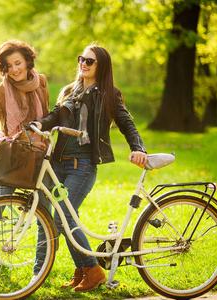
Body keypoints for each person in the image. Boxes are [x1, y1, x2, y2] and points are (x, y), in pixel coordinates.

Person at [33, 43, 147, 292]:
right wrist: (37, 124)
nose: (83, 64)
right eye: (81, 59)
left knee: (62, 216)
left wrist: (138, 148)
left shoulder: (109, 94)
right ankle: (82, 270)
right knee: (54, 217)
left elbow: (127, 123)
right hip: (57, 163)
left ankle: (93, 270)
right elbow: (54, 116)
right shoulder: (68, 91)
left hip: (82, 166)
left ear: (101, 66)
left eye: (90, 61)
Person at [0, 40, 50, 278]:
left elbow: (48, 114)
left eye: (18, 62)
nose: (14, 69)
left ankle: (40, 271)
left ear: (27, 61)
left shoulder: (42, 82)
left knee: (45, 217)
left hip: (40, 156)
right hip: (12, 156)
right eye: (9, 65)